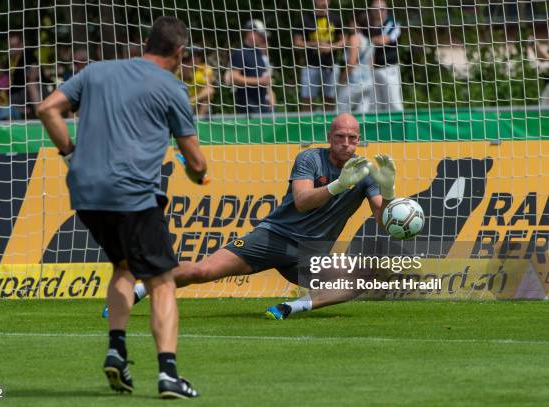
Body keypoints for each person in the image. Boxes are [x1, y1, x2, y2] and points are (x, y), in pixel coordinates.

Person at [38, 16, 206, 398]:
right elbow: (195, 163)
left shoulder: (96, 71)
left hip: (84, 189)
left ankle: (116, 349)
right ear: (179, 51)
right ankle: (168, 374)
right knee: (162, 282)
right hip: (131, 192)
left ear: (147, 43)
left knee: (123, 266)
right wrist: (199, 174)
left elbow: (48, 108)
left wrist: (69, 152)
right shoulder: (172, 88)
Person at [112, 113, 397, 320]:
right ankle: (140, 289)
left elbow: (384, 221)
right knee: (203, 271)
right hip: (273, 237)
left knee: (367, 276)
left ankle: (294, 307)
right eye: (340, 137)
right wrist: (338, 185)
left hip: (310, 255)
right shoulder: (310, 159)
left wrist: (387, 191)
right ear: (329, 138)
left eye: (352, 138)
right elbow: (302, 202)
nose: (346, 143)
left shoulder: (366, 172)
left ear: (359, 140)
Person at [294, 0, 346, 112]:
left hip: (331, 65)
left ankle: (328, 125)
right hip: (310, 65)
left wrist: (330, 47)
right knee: (307, 99)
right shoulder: (305, 19)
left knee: (330, 98)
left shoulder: (336, 18)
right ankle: (307, 126)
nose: (324, 2)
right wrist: (315, 44)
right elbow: (297, 42)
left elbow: (343, 41)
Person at [227, 19, 275, 114]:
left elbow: (265, 78)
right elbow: (233, 78)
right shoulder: (240, 53)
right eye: (260, 34)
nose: (262, 38)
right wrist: (259, 81)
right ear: (250, 33)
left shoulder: (259, 53)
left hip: (263, 104)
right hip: (248, 105)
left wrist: (271, 97)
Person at [369, 0, 404, 112]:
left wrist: (369, 40)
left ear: (386, 10)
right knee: (374, 105)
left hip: (389, 69)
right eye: (375, 9)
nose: (378, 12)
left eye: (382, 9)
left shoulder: (393, 23)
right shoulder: (368, 24)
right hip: (371, 70)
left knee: (393, 103)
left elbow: (383, 40)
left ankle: (399, 128)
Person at [337, 12, 374, 114]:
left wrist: (342, 79)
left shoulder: (354, 38)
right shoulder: (369, 40)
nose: (349, 25)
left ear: (357, 23)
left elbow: (352, 62)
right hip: (368, 83)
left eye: (351, 22)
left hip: (354, 82)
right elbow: (371, 64)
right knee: (363, 115)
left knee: (341, 112)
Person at [8, 33, 41, 118]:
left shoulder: (28, 55)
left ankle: (40, 114)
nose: (13, 48)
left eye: (15, 45)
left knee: (31, 84)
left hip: (30, 91)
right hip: (15, 94)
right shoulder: (9, 60)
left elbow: (33, 75)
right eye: (11, 46)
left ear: (22, 45)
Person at [180, 46, 215, 117]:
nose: (196, 58)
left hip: (196, 101)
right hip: (183, 99)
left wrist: (192, 100)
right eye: (193, 55)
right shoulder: (180, 68)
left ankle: (199, 123)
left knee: (206, 99)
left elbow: (210, 90)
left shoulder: (205, 69)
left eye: (198, 55)